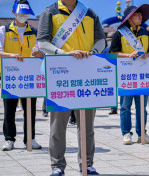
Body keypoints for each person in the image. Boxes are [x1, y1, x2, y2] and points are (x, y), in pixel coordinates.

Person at [37, 0, 106, 175]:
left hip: (87, 73)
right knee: (57, 126)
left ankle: (87, 164)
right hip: (61, 74)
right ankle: (57, 166)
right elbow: (42, 43)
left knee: (87, 125)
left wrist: (94, 52)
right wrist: (64, 54)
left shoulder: (90, 13)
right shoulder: (50, 12)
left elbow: (101, 40)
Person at [0, 0, 43, 151]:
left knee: (29, 111)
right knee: (9, 110)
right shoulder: (3, 30)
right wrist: (10, 54)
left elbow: (42, 52)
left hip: (30, 76)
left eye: (25, 14)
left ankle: (29, 139)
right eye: (20, 13)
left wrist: (39, 53)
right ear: (13, 13)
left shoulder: (35, 32)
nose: (23, 16)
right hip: (11, 76)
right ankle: (9, 139)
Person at [110, 5, 149, 145]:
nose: (140, 17)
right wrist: (128, 55)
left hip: (143, 75)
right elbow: (113, 53)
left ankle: (142, 132)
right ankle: (126, 133)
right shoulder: (119, 33)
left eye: (141, 15)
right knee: (125, 105)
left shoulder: (146, 32)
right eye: (137, 14)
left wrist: (146, 55)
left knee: (142, 105)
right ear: (129, 18)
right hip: (126, 75)